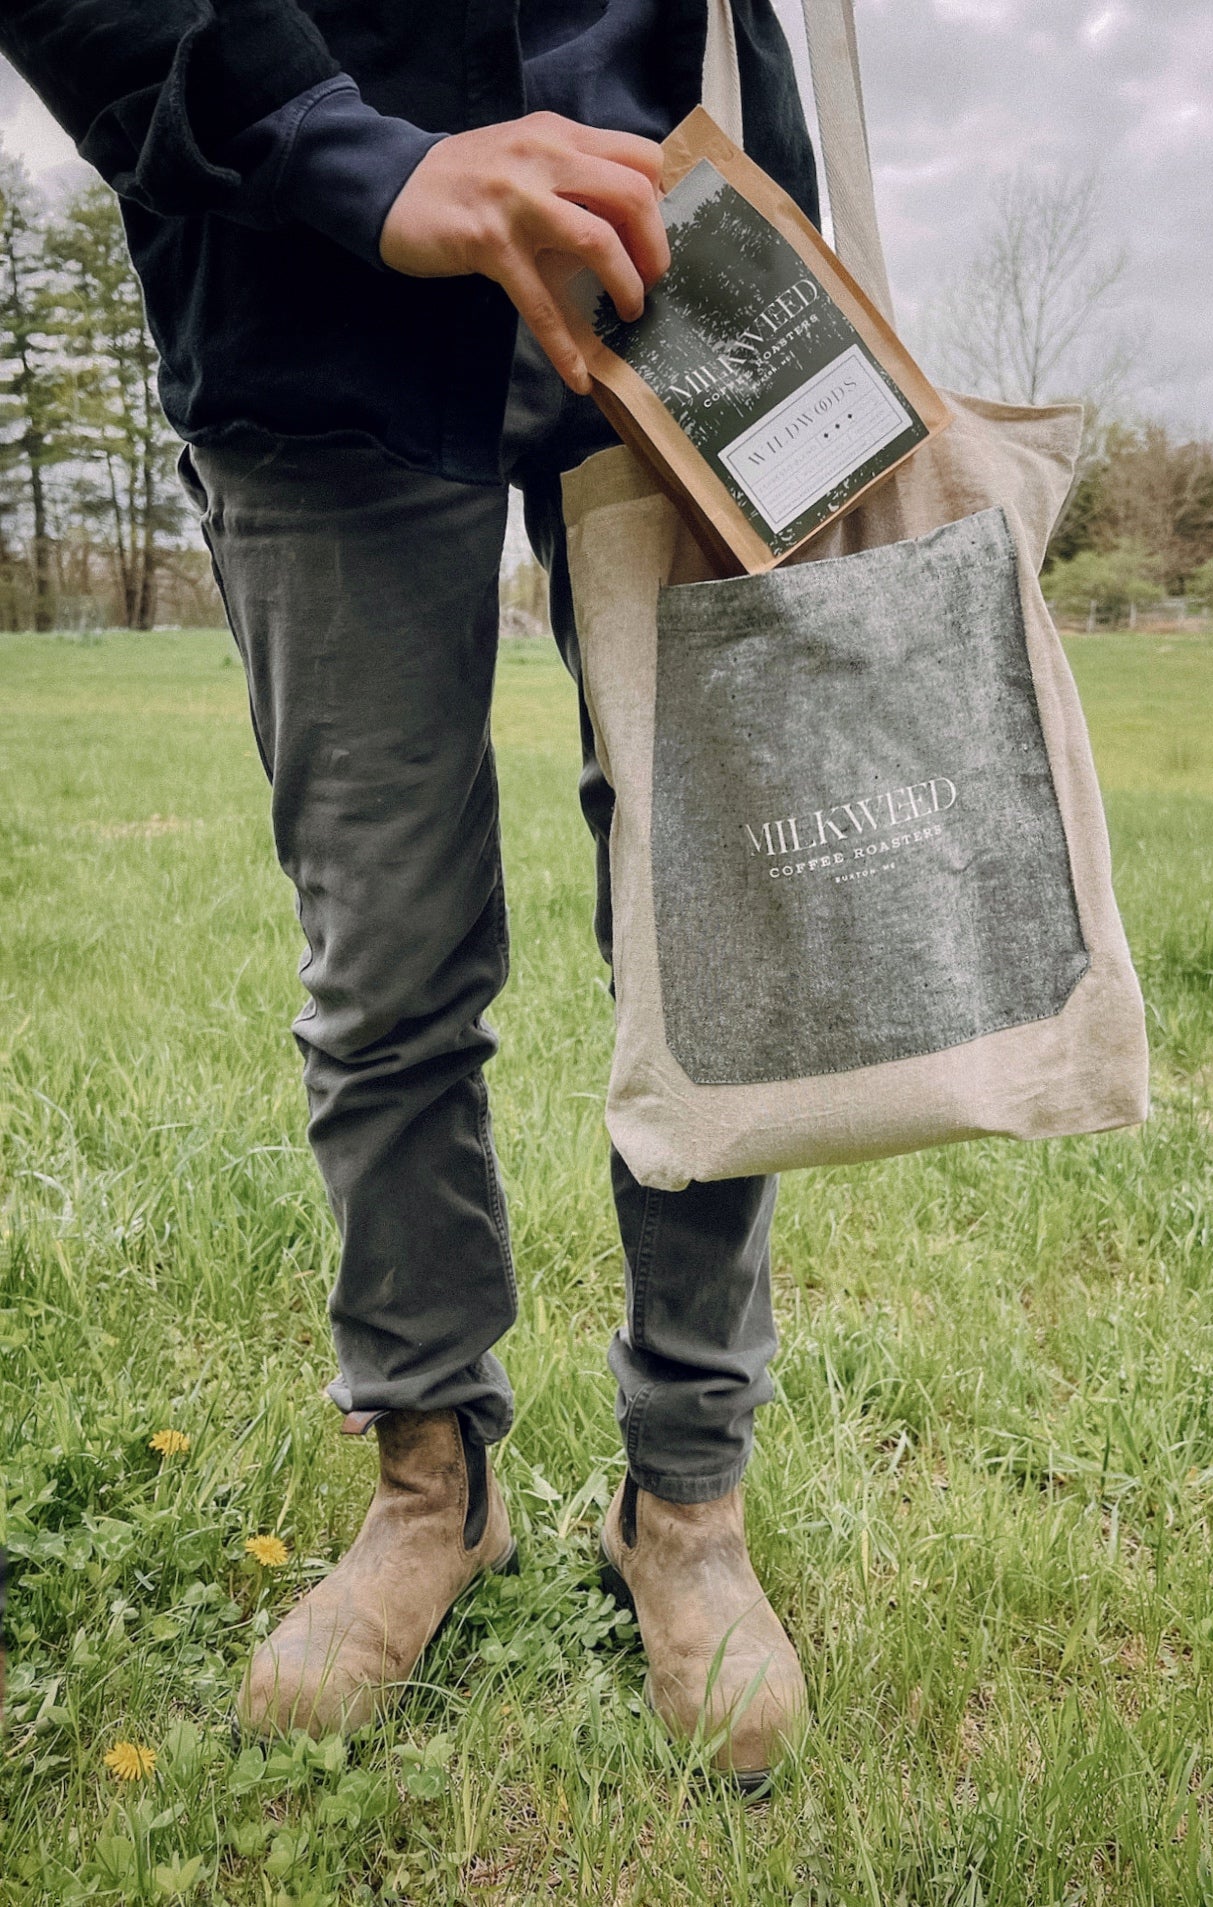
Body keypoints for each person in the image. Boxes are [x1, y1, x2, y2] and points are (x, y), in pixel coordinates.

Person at [0, 0, 818, 1787]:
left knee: (711, 941)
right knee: (383, 962)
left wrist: (792, 251)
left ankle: (685, 1505)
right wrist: (349, 155)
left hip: (679, 266)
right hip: (302, 281)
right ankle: (431, 1489)